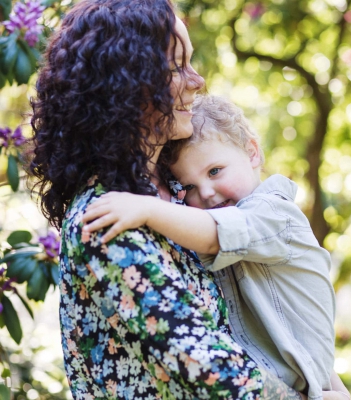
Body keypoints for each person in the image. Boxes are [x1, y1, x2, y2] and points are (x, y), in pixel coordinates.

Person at [28, 0, 322, 398]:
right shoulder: (104, 218)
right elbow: (214, 375)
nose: (197, 81)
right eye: (176, 67)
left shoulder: (180, 194)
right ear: (126, 86)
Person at [82, 95, 351, 400]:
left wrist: (145, 209)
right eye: (190, 187)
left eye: (214, 171)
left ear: (252, 152)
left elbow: (214, 235)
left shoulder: (275, 214)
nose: (207, 193)